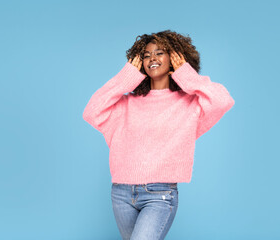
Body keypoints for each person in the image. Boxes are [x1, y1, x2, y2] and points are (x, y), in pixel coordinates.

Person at [82, 30, 235, 240]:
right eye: (146, 55)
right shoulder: (126, 104)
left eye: (159, 52)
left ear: (174, 59)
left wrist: (187, 75)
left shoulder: (188, 105)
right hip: (121, 194)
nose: (152, 58)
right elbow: (91, 111)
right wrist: (125, 79)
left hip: (160, 195)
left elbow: (223, 100)